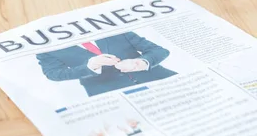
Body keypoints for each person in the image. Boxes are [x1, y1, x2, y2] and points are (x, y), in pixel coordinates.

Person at [36, 31, 176, 97]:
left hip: (162, 80)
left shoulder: (115, 30)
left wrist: (141, 62)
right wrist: (89, 67)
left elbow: (158, 51)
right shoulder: (47, 48)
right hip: (109, 94)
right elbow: (53, 74)